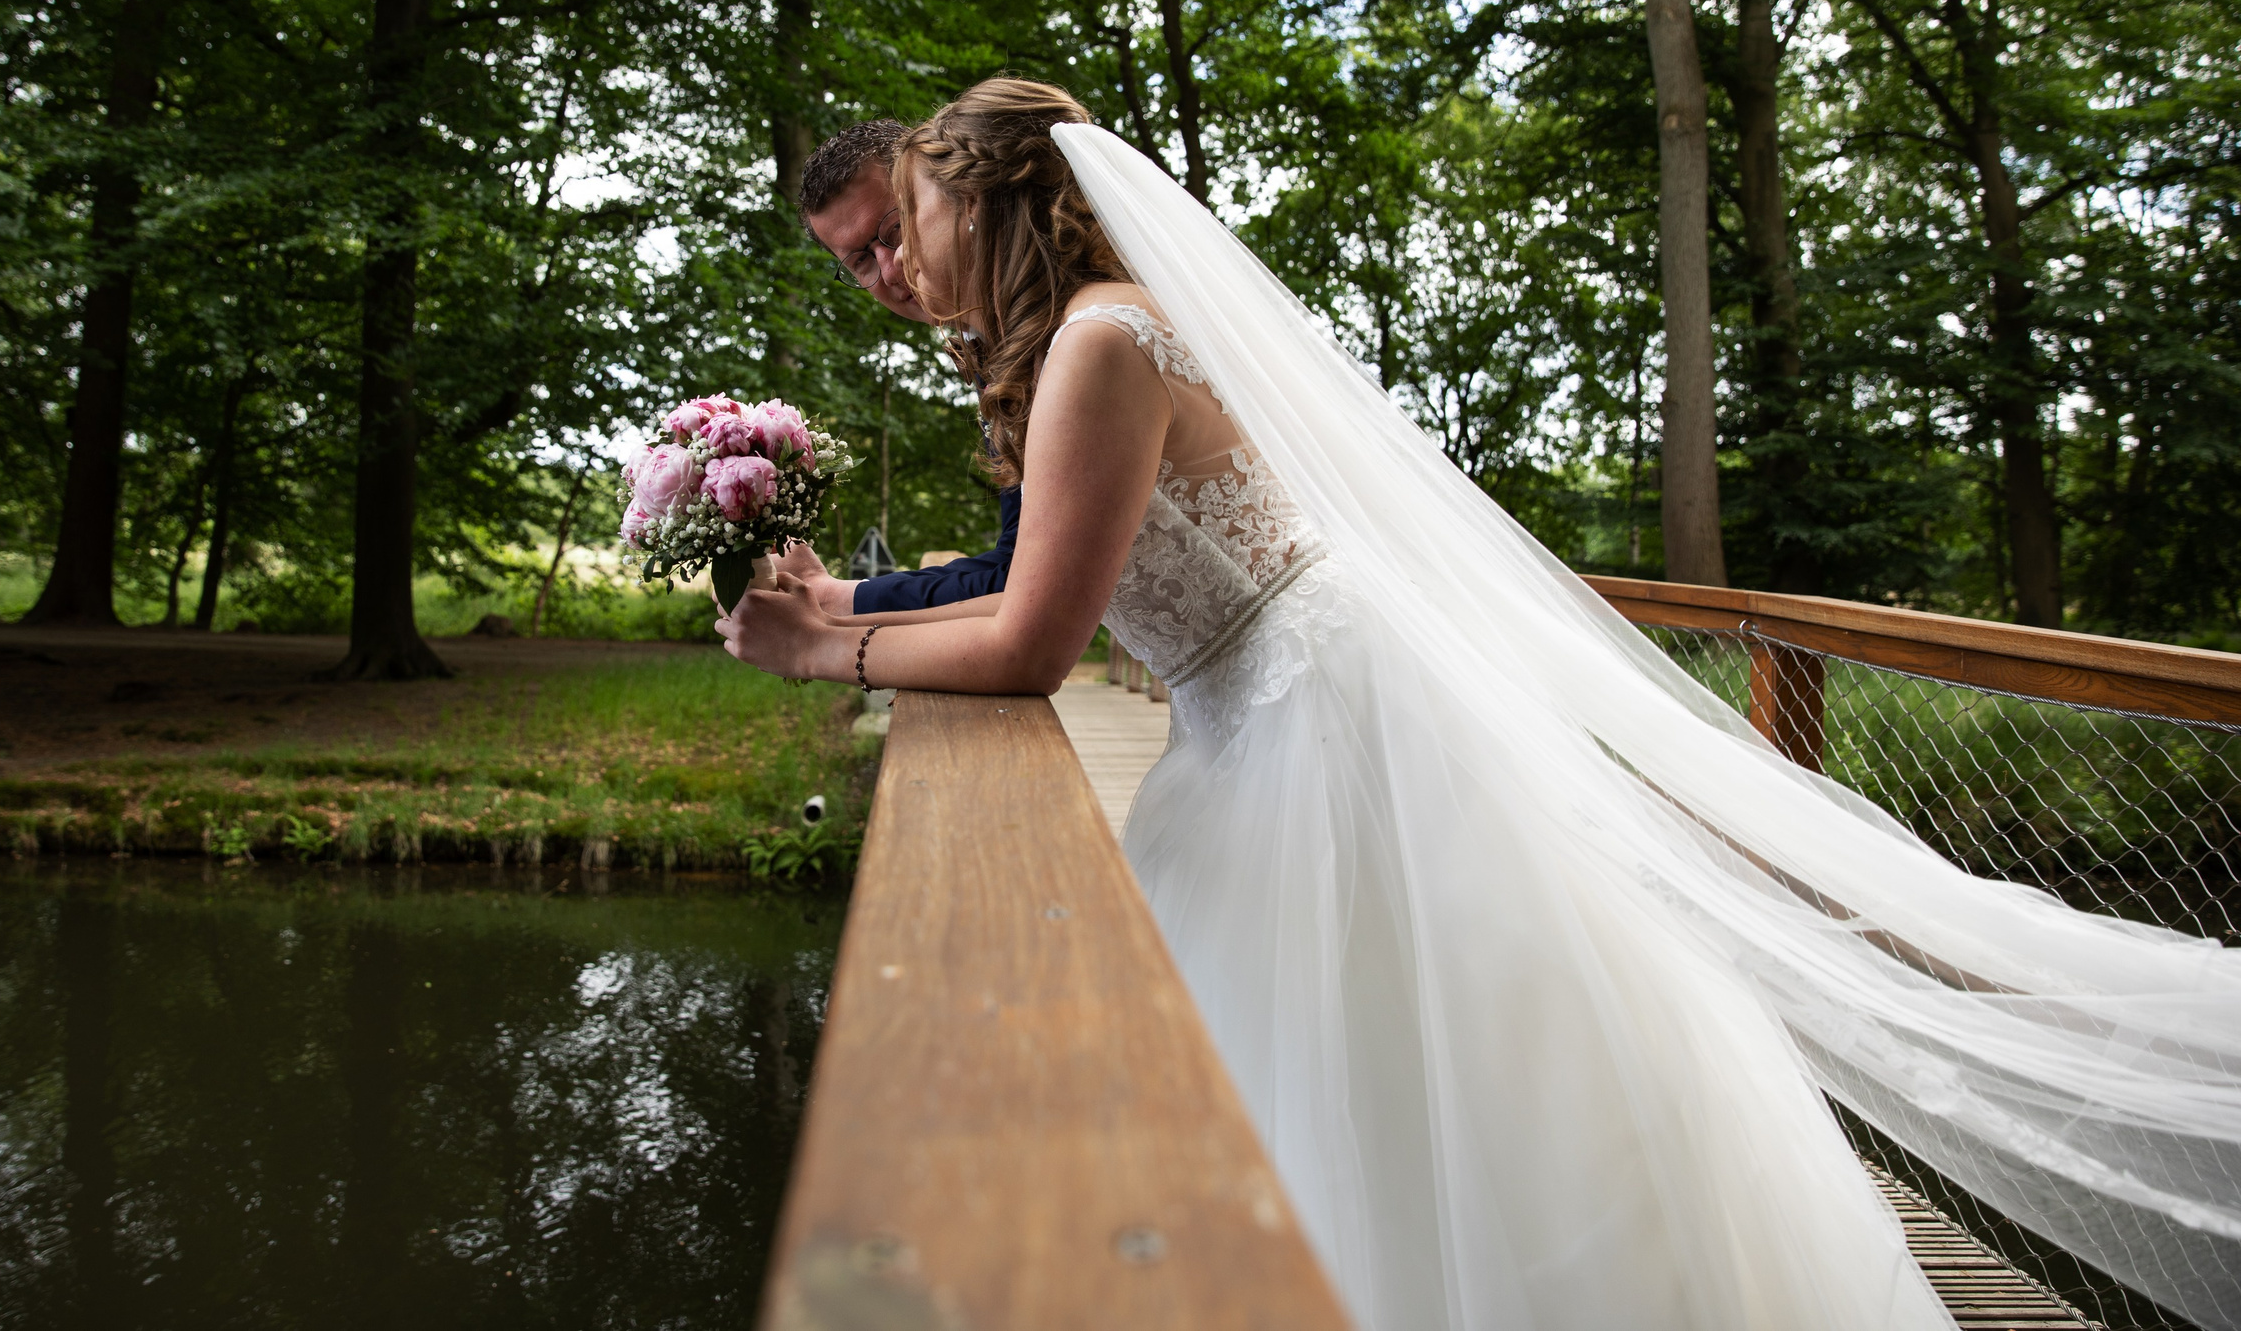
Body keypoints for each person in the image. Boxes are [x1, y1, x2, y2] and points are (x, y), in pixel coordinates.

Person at [720, 79, 2241, 1331]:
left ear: (994, 202)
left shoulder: (1100, 346)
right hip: (1262, 706)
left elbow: (1034, 641)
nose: (906, 253)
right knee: (1388, 1074)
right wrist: (840, 609)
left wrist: (813, 653)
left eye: (916, 214)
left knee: (1448, 1063)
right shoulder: (1095, 335)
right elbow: (1035, 584)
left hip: (1317, 717)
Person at [786, 121, 1019, 616]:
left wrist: (832, 601)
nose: (891, 268)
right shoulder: (992, 351)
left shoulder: (1063, 341)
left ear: (953, 196)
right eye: (860, 262)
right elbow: (1019, 562)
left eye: (894, 229)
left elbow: (1024, 579)